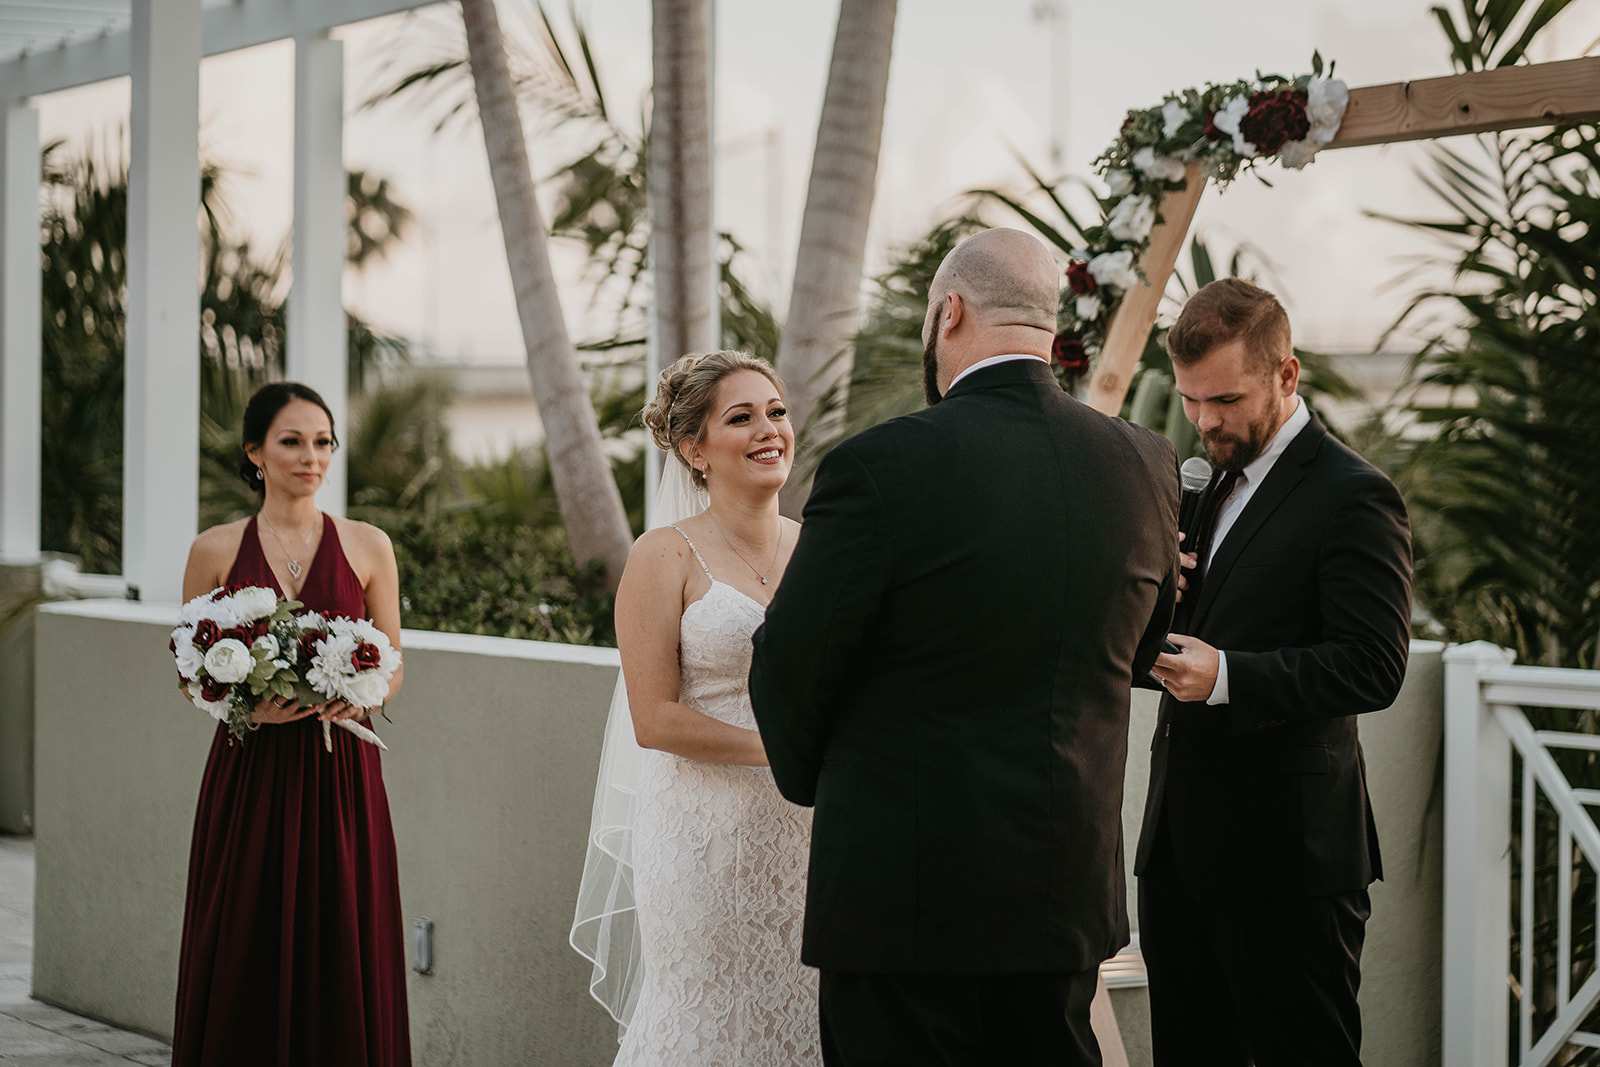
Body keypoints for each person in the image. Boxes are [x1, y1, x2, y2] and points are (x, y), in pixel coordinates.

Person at [749, 227, 1180, 1066]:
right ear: (1048, 325)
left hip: (905, 906)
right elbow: (1140, 649)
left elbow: (791, 666)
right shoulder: (1145, 462)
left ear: (950, 314)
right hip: (1064, 896)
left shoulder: (881, 465)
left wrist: (811, 781)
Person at [1136, 278, 1413, 1066]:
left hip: (1289, 862)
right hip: (1180, 851)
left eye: (1224, 398)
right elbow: (1183, 636)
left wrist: (1230, 676)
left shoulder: (1354, 496)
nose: (1203, 421)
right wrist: (1160, 605)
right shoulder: (1201, 484)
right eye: (1190, 400)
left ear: (1286, 375)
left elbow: (1375, 664)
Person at [574, 350, 820, 1065]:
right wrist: (787, 751)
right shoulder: (664, 556)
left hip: (809, 835)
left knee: (804, 1013)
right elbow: (655, 718)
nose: (768, 428)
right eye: (740, 417)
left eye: (775, 411)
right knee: (713, 1017)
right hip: (703, 838)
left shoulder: (818, 549)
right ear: (694, 449)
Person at [171, 382, 410, 1067]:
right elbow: (188, 672)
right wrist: (245, 703)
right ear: (255, 452)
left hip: (341, 771)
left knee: (345, 929)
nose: (312, 456)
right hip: (249, 770)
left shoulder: (369, 544)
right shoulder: (214, 547)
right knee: (244, 928)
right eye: (292, 441)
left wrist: (361, 694)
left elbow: (394, 659)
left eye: (323, 441)